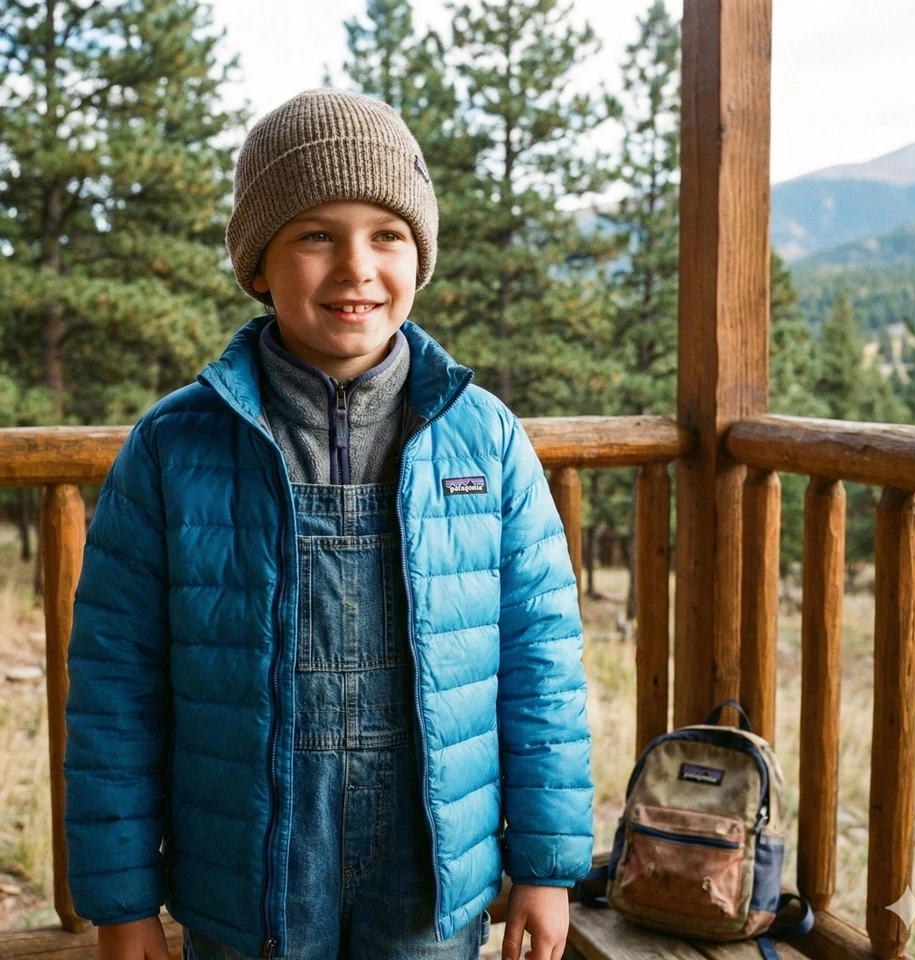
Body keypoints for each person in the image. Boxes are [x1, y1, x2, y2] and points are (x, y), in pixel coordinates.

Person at [64, 89, 594, 960]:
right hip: (245, 873)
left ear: (417, 258)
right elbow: (114, 691)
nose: (356, 267)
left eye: (386, 235)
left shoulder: (486, 439)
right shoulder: (172, 448)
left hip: (430, 875)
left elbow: (542, 670)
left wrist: (544, 866)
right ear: (258, 263)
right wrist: (123, 905)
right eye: (316, 234)